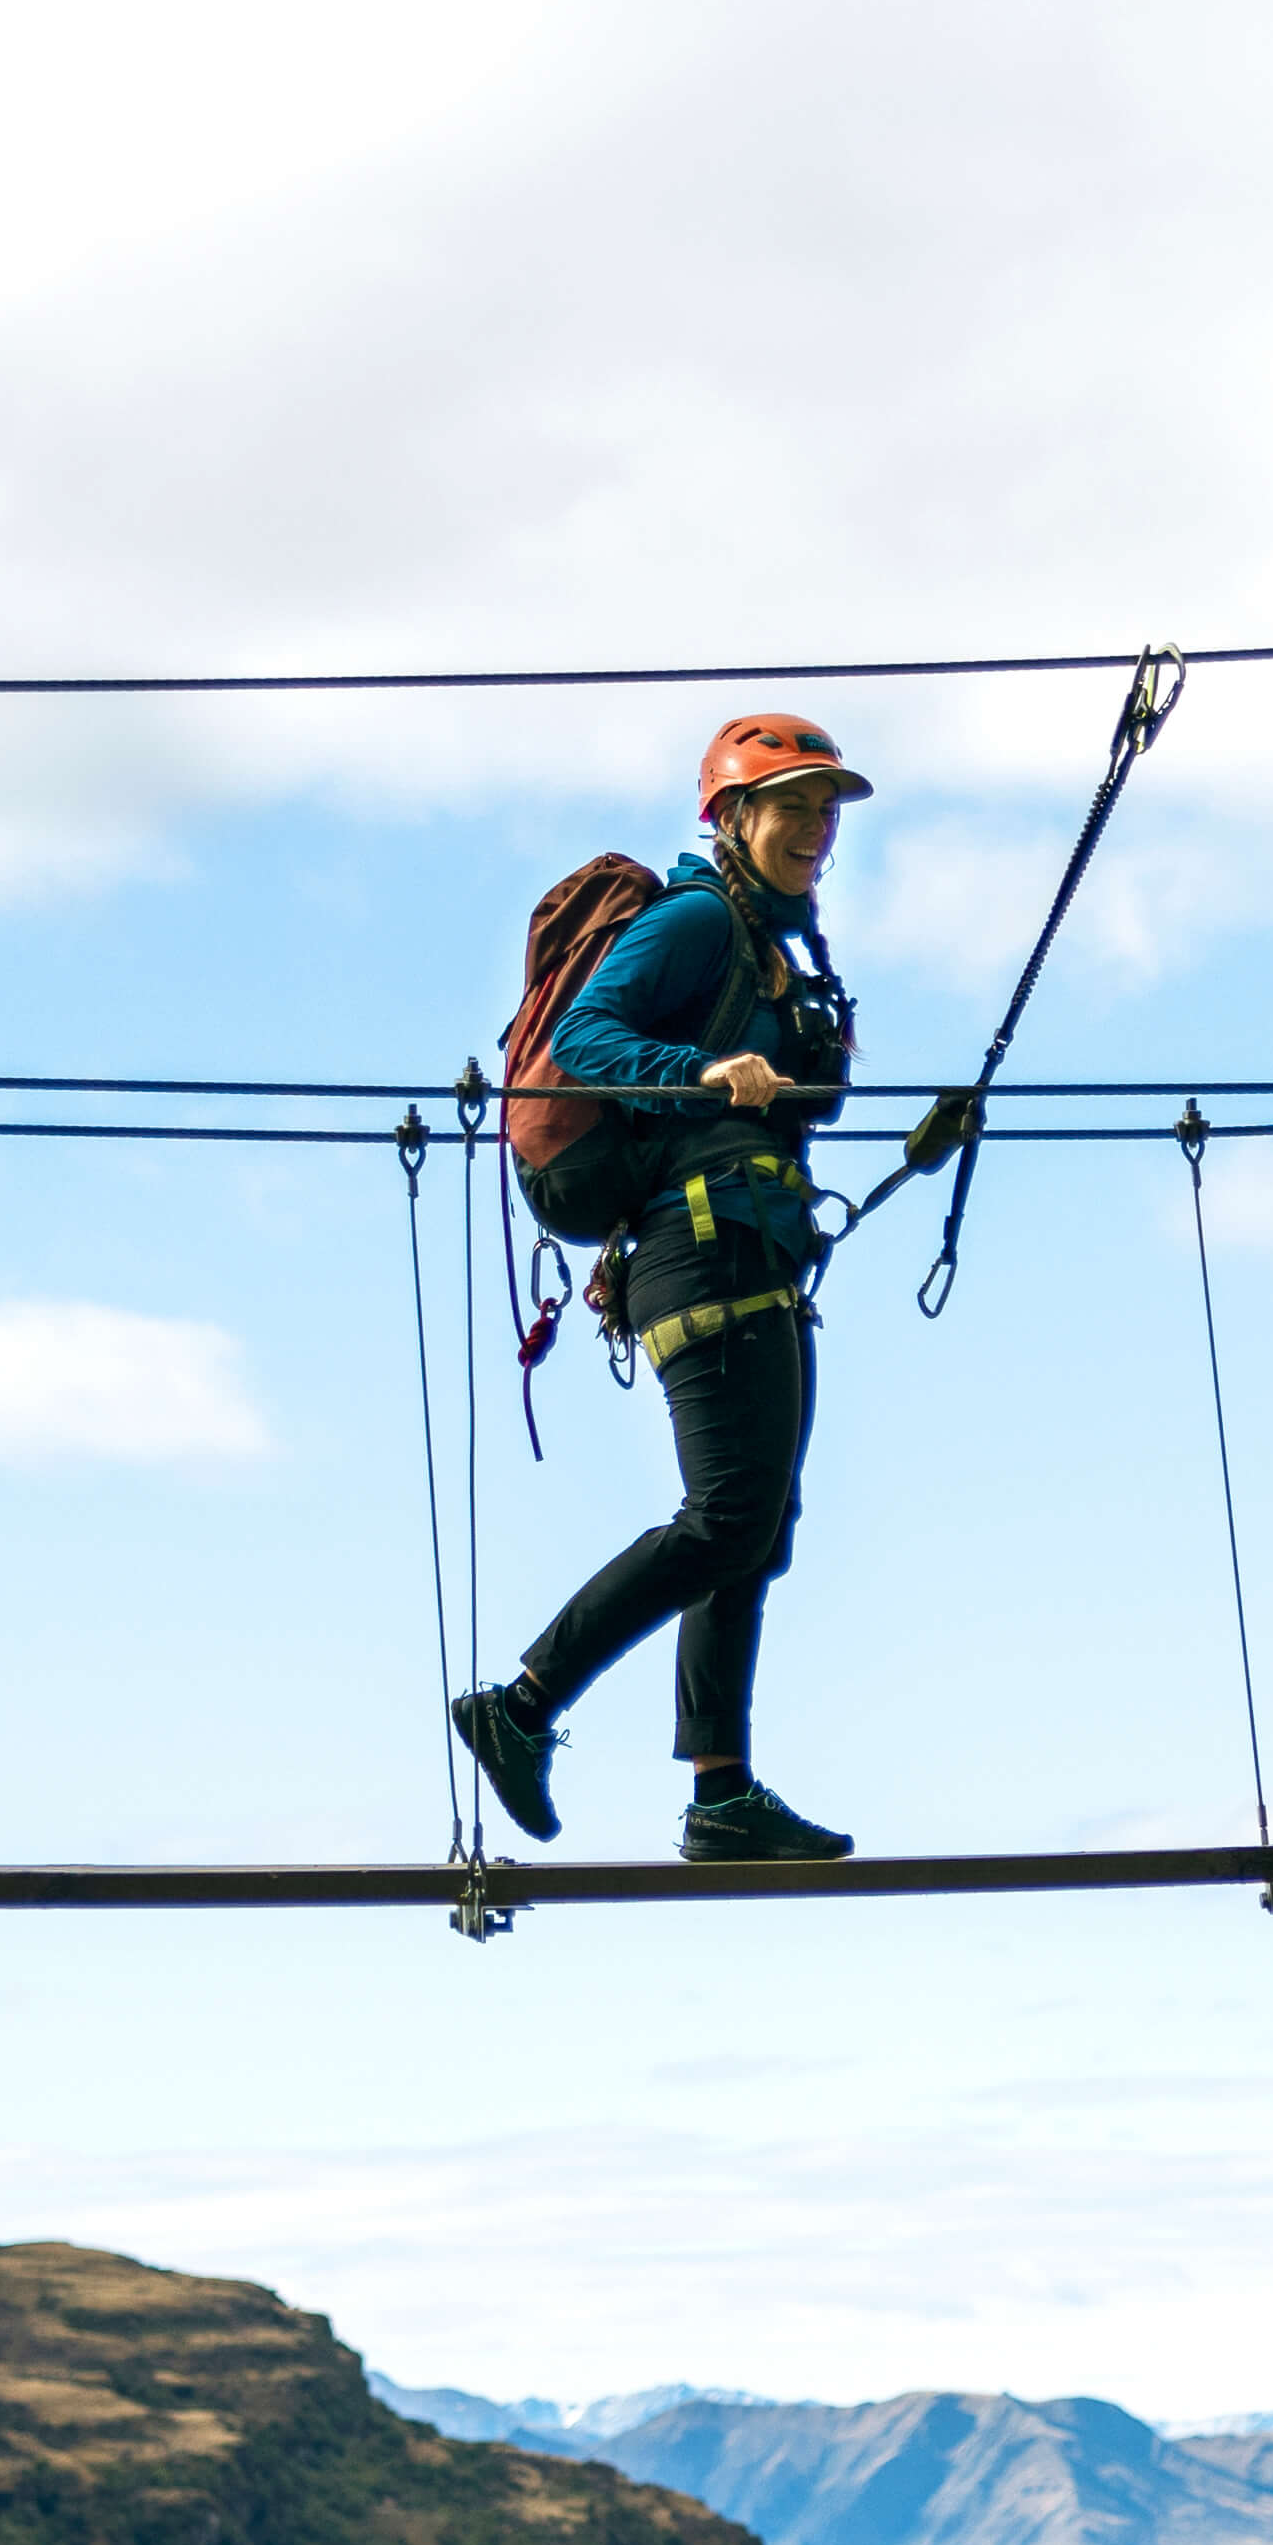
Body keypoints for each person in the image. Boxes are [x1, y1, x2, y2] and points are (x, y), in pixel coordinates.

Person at [450, 711, 882, 1864]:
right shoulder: (698, 918)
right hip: (703, 1249)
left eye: (824, 808)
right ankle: (524, 1703)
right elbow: (581, 1039)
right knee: (729, 1517)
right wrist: (697, 1069)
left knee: (754, 1526)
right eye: (790, 805)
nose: (813, 828)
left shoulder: (779, 947)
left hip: (756, 1249)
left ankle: (720, 1790)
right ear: (731, 817)